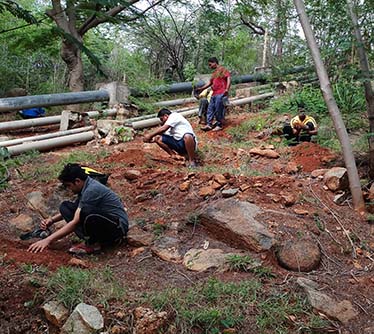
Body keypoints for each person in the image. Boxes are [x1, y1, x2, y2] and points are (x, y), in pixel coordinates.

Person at [27, 163, 128, 255]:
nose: (69, 189)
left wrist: (47, 240)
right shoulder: (85, 186)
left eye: (69, 186)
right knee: (65, 207)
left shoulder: (92, 190)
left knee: (87, 212)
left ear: (77, 181)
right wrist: (52, 220)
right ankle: (91, 239)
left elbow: (76, 221)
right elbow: (77, 209)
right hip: (106, 221)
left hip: (117, 227)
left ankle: (94, 244)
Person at [196, 57, 231, 131]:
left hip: (221, 93)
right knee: (210, 109)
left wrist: (227, 89)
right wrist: (201, 88)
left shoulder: (223, 70)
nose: (210, 66)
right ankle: (209, 124)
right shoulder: (214, 73)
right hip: (214, 93)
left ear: (215, 62)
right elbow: (209, 83)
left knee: (218, 109)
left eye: (210, 64)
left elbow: (228, 78)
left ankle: (219, 125)